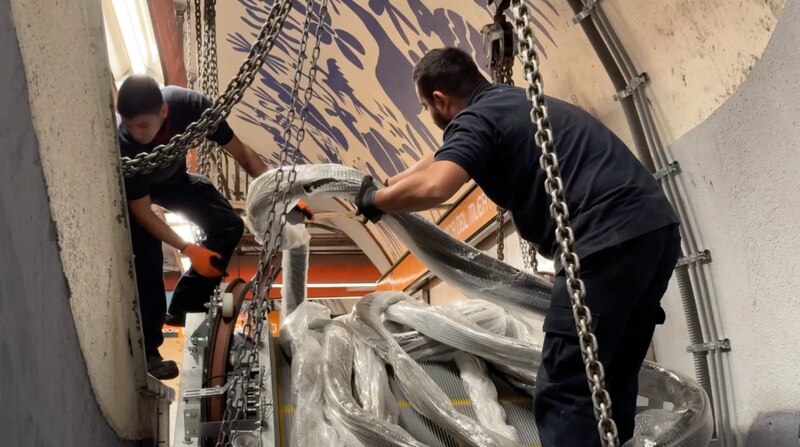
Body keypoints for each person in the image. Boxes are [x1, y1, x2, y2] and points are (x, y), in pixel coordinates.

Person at [355, 47, 680, 446]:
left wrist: (375, 202)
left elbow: (436, 185)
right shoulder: (511, 103)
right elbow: (434, 159)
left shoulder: (476, 119)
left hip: (600, 240)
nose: (430, 114)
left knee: (566, 385)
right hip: (656, 232)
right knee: (612, 375)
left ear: (440, 100)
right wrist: (386, 184)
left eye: (426, 106)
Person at [117, 75, 268, 380]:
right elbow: (143, 213)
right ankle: (149, 348)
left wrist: (279, 192)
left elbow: (243, 153)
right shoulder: (124, 144)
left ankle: (185, 306)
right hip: (143, 198)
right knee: (147, 256)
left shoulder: (191, 108)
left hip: (176, 183)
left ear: (163, 112)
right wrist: (189, 249)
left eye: (143, 126)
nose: (136, 133)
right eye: (129, 125)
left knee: (227, 224)